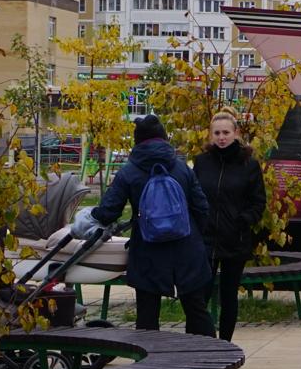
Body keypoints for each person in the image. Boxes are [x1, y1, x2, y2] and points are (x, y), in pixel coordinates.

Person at [82, 115, 214, 335]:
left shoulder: (129, 171)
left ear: (136, 141)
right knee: (196, 309)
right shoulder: (182, 169)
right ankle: (212, 359)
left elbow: (108, 212)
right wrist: (197, 237)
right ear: (164, 138)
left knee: (147, 314)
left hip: (147, 251)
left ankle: (150, 363)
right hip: (187, 247)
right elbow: (202, 208)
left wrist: (88, 215)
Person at [193, 110, 267, 343]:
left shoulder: (249, 164)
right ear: (210, 135)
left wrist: (243, 220)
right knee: (199, 295)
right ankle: (201, 343)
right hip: (205, 240)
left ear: (236, 133)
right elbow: (193, 195)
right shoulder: (202, 162)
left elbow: (258, 202)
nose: (221, 137)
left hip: (235, 239)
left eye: (226, 132)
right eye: (217, 133)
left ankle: (225, 345)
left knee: (228, 295)